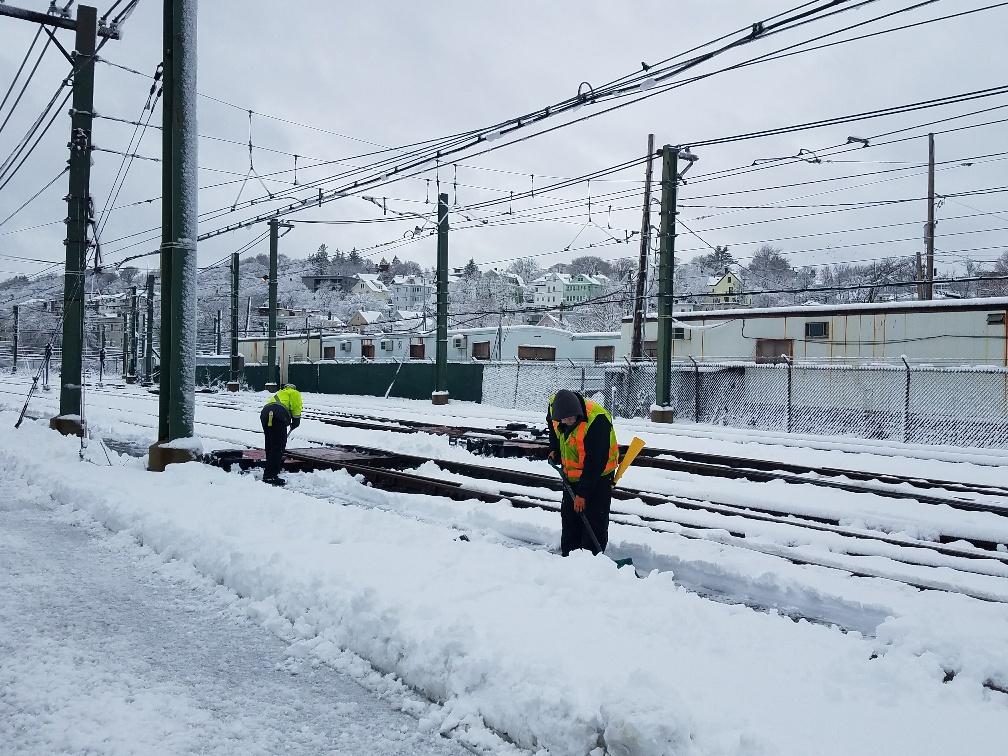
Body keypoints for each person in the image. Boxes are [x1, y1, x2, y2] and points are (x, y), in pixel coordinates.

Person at [546, 389, 619, 556]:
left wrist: (582, 494)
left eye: (571, 419)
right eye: (563, 419)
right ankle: (569, 557)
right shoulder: (554, 409)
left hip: (598, 477)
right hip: (571, 475)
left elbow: (595, 462)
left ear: (578, 413)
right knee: (570, 519)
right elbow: (553, 429)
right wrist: (555, 448)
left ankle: (592, 561)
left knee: (593, 521)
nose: (567, 422)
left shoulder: (597, 420)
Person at [260, 383, 303, 485]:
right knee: (278, 447)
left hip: (265, 414)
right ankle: (270, 476)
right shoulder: (294, 393)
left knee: (270, 445)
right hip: (278, 415)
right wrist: (296, 421)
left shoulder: (280, 393)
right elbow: (296, 407)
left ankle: (271, 469)